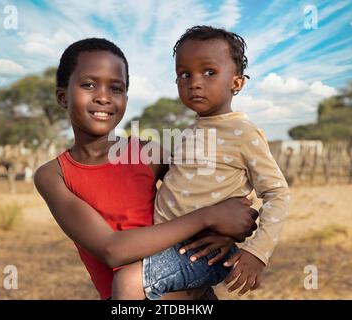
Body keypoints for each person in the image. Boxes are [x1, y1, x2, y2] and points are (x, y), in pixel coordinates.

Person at [34, 37, 259, 300]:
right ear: (62, 96)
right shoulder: (54, 175)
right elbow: (111, 250)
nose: (104, 97)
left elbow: (218, 192)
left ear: (126, 99)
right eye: (89, 85)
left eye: (116, 88)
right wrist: (209, 217)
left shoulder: (147, 153)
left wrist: (226, 234)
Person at [112, 26, 290, 300]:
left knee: (128, 283)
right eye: (184, 74)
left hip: (201, 250)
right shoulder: (187, 133)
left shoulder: (243, 132)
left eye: (209, 72)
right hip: (167, 241)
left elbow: (277, 193)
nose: (195, 82)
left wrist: (257, 252)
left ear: (237, 82)